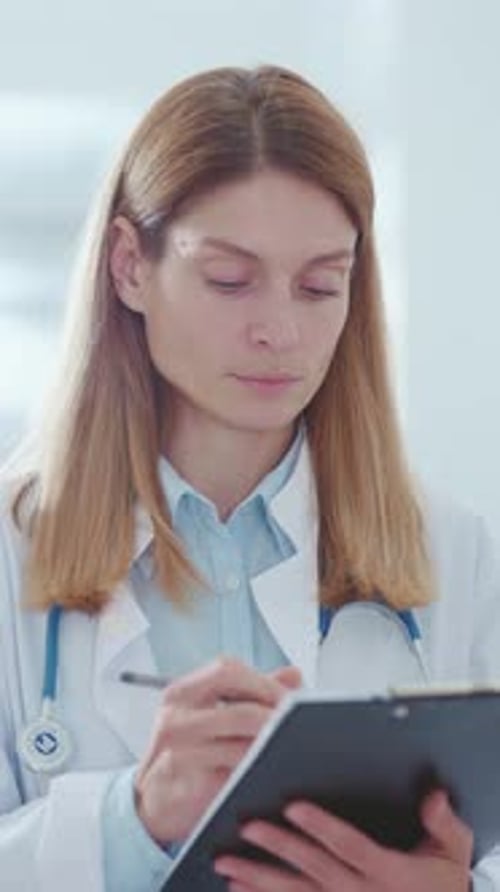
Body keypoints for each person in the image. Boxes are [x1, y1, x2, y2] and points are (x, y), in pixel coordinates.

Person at [0, 64, 499, 892]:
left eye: (319, 286)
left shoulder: (451, 549)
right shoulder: (14, 545)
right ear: (129, 266)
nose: (280, 330)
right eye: (229, 280)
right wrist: (133, 821)